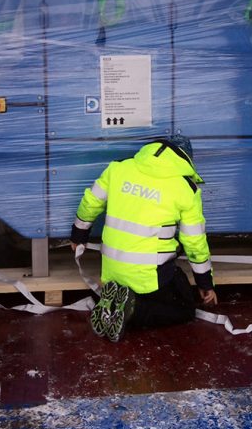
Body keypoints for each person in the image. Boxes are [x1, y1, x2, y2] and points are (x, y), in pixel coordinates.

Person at [70, 138, 217, 342]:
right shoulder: (185, 189)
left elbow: (91, 202)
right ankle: (134, 312)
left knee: (147, 286)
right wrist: (205, 282)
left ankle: (112, 301)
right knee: (184, 309)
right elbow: (194, 242)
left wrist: (79, 235)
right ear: (185, 159)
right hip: (150, 277)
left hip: (112, 271)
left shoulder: (118, 169)